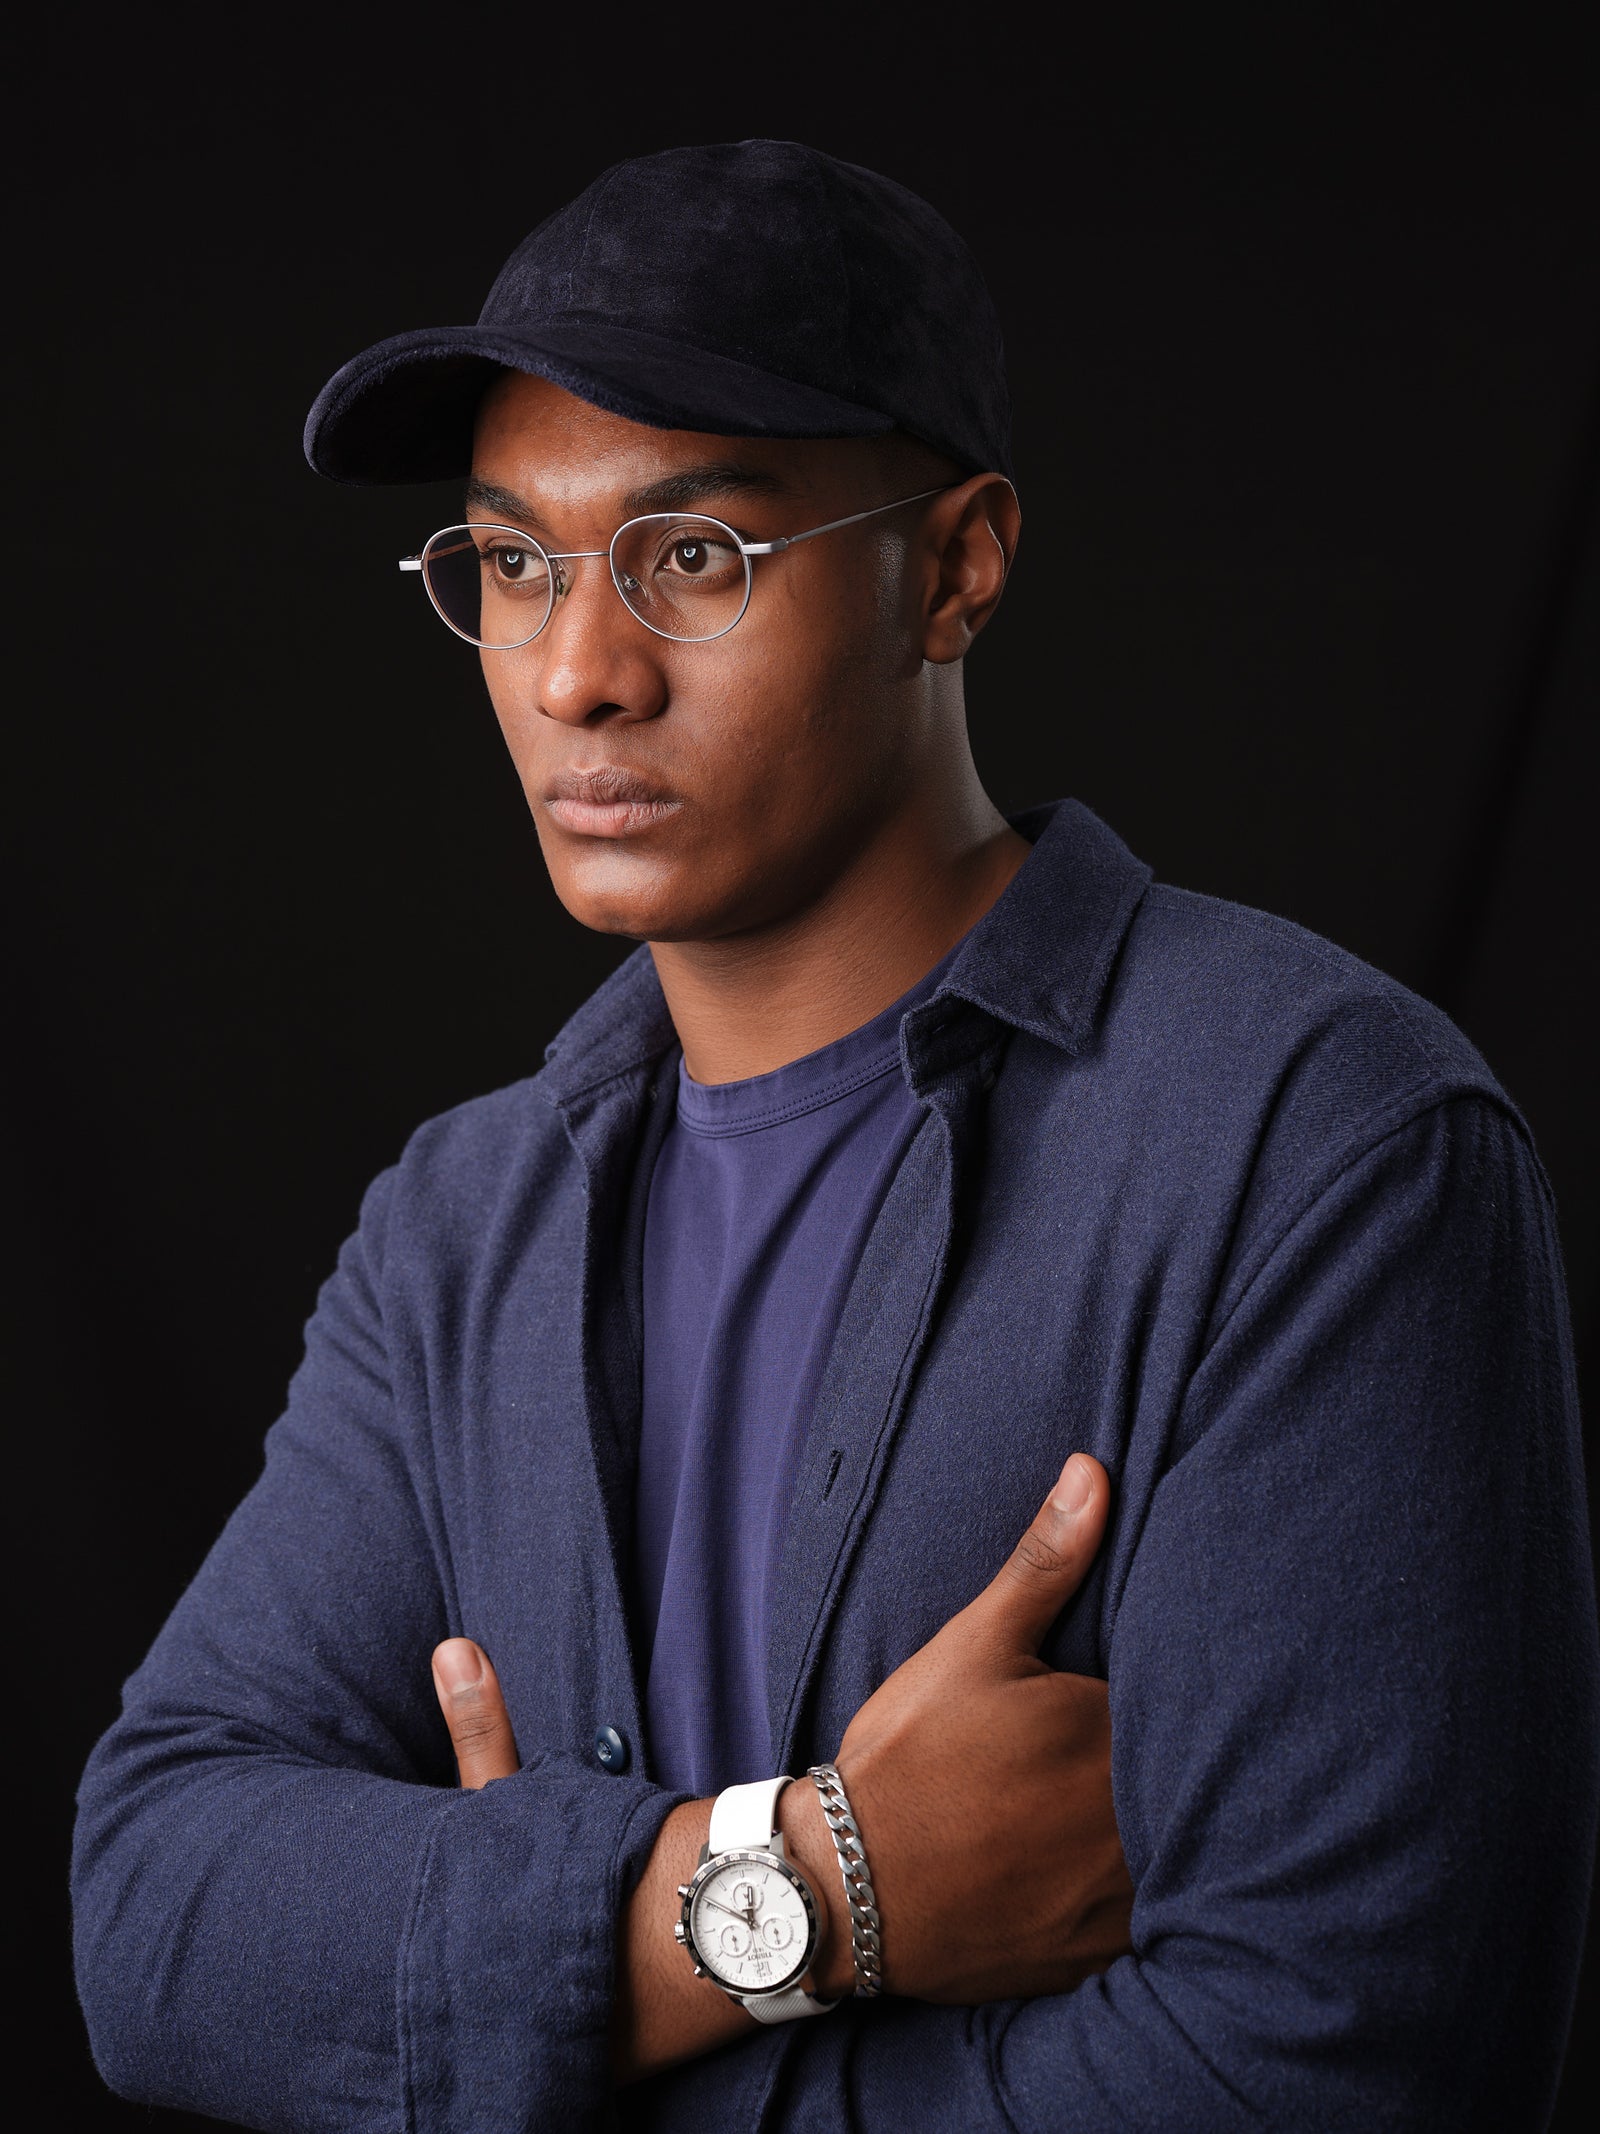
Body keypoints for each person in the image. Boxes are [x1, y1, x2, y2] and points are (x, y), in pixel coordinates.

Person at [73, 139, 1596, 2131]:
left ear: (954, 564)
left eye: (694, 555)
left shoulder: (1316, 1146)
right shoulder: (461, 1223)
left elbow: (1336, 2058)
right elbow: (156, 1918)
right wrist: (809, 1888)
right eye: (513, 561)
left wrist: (518, 2024)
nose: (574, 673)